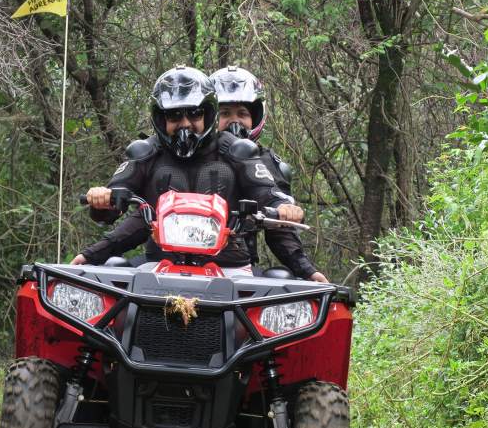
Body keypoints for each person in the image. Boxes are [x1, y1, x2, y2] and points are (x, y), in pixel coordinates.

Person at [70, 65, 303, 271]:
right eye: (174, 115)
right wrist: (101, 201)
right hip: (159, 264)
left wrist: (283, 208)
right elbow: (117, 204)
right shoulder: (146, 152)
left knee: (280, 292)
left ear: (207, 113)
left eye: (194, 113)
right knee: (111, 278)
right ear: (161, 119)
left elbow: (267, 193)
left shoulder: (238, 151)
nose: (185, 124)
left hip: (231, 265)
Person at [210, 66, 328, 283]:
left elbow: (280, 229)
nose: (234, 121)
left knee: (281, 282)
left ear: (255, 118)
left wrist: (307, 269)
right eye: (225, 113)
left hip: (235, 264)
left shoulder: (267, 163)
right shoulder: (189, 155)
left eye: (243, 114)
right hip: (175, 255)